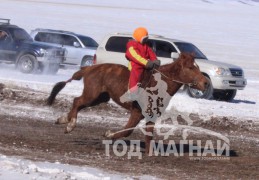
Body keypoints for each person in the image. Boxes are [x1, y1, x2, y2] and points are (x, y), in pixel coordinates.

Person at [125, 27, 160, 96]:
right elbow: (134, 56)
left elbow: (150, 53)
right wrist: (146, 62)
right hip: (136, 64)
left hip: (145, 64)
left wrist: (155, 60)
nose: (146, 40)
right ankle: (133, 93)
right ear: (139, 37)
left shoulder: (145, 46)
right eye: (144, 38)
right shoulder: (132, 45)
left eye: (146, 38)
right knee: (136, 73)